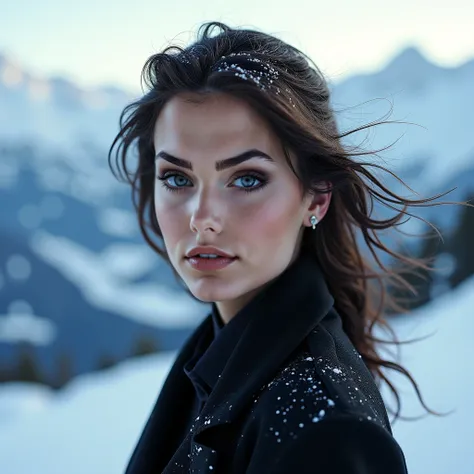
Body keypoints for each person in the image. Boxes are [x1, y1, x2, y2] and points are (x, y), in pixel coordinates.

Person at [108, 21, 449, 474]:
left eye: (246, 179)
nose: (201, 217)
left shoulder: (327, 435)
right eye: (177, 178)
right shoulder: (215, 350)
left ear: (317, 197)